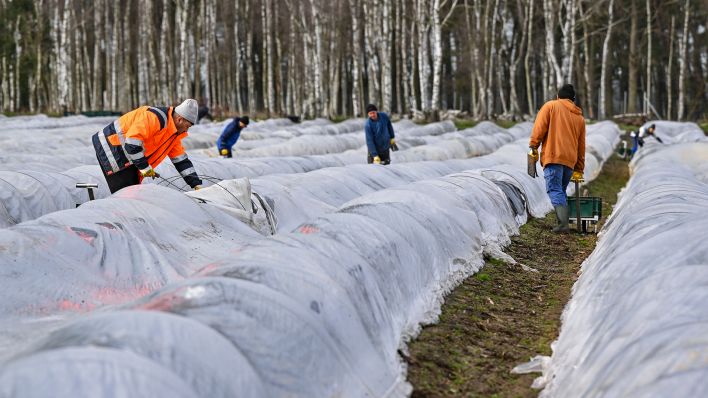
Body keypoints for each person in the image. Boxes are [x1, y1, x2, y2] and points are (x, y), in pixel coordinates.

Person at [92, 99, 203, 193]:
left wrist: (196, 184)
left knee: (133, 195)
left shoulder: (173, 135)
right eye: (187, 126)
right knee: (126, 196)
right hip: (112, 151)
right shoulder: (155, 117)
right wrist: (145, 168)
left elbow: (181, 161)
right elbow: (131, 144)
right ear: (179, 119)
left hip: (128, 156)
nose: (186, 130)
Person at [529, 84, 586, 233]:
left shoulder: (551, 106)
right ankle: (563, 221)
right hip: (570, 161)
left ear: (558, 96)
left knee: (554, 189)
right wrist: (579, 168)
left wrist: (533, 146)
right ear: (573, 100)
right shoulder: (579, 117)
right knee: (560, 190)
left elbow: (539, 128)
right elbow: (581, 146)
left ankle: (563, 224)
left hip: (554, 157)